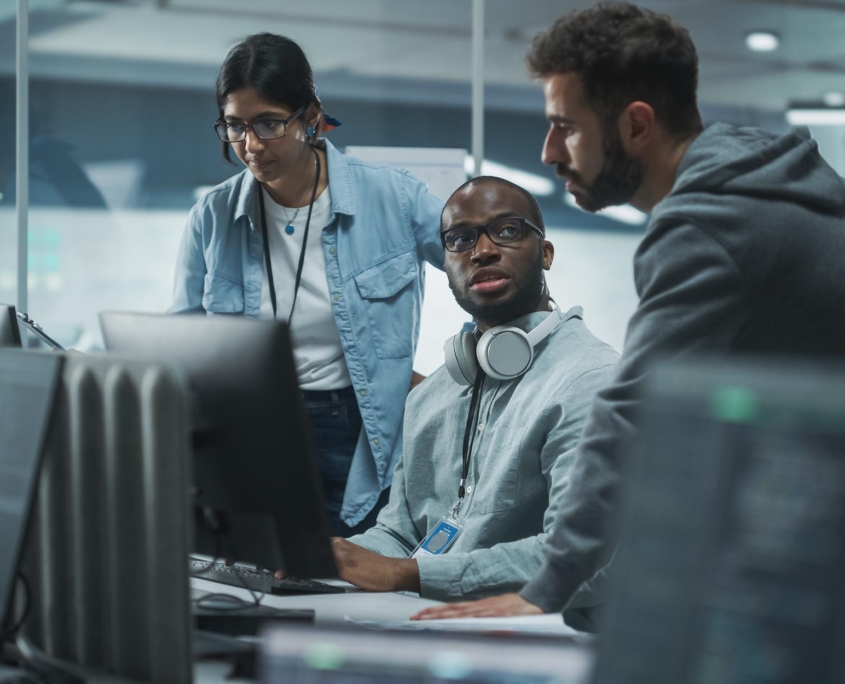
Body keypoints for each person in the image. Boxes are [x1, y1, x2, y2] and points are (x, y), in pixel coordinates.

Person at [413, 2, 845, 621]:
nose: (547, 151)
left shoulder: (706, 224)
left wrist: (547, 588)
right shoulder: (761, 181)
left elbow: (632, 420)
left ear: (637, 124)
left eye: (567, 127)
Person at [169, 34, 445, 536]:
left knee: (355, 583)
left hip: (357, 431)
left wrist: (458, 380)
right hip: (254, 430)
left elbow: (487, 271)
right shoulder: (212, 217)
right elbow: (184, 343)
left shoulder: (394, 197)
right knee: (262, 579)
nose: (251, 145)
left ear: (311, 116)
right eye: (235, 126)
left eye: (270, 123)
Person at [329, 176, 618, 627]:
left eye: (506, 231)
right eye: (460, 239)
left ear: (545, 253)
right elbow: (401, 534)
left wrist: (409, 573)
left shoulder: (591, 381)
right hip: (430, 627)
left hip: (545, 644)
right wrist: (330, 561)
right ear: (445, 265)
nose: (481, 250)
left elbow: (586, 559)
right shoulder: (431, 395)